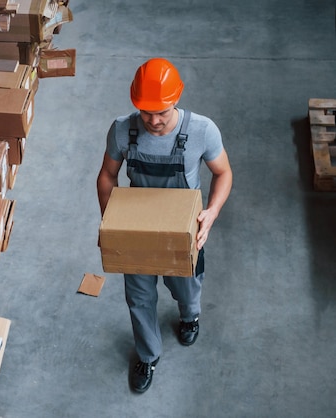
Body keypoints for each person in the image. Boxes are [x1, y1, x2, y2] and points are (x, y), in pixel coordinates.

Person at [96, 58, 233, 393]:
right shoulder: (122, 129)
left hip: (182, 233)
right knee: (139, 298)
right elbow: (107, 175)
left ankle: (190, 316)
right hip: (138, 231)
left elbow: (223, 173)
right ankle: (148, 354)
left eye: (162, 112)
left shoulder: (202, 130)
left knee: (186, 287)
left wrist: (212, 212)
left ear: (177, 99)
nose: (153, 121)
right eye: (145, 113)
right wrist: (111, 223)